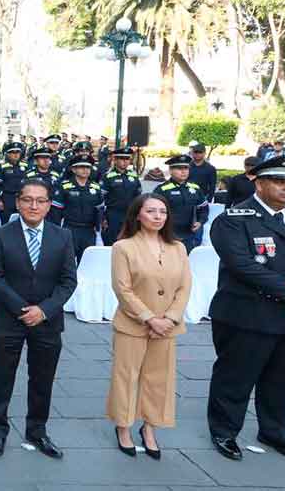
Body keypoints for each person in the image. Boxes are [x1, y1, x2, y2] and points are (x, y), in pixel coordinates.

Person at [206, 154, 285, 462]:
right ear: (259, 183)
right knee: (236, 376)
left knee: (282, 380)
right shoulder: (234, 219)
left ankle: (275, 432)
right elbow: (242, 265)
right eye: (279, 181)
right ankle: (224, 431)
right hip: (249, 314)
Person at [0, 178, 77, 460]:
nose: (33, 205)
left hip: (47, 322)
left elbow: (68, 281)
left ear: (49, 205)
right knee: (2, 378)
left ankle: (37, 431)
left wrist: (44, 310)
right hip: (8, 320)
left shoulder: (63, 236)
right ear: (18, 202)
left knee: (42, 379)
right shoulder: (1, 233)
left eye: (40, 200)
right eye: (27, 199)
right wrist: (23, 309)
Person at [107, 193, 191, 459]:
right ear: (138, 215)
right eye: (151, 211)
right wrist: (148, 318)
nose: (157, 217)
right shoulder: (124, 247)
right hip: (133, 324)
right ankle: (123, 427)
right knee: (126, 377)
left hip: (167, 326)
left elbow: (184, 286)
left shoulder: (178, 247)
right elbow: (123, 289)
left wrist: (170, 318)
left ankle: (150, 428)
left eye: (162, 212)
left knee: (159, 379)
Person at [51, 155, 103, 262]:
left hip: (89, 231)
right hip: (70, 229)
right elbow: (56, 212)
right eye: (81, 167)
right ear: (74, 169)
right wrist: (57, 232)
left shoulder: (96, 188)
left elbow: (100, 210)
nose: (85, 170)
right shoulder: (64, 186)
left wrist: (98, 230)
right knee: (66, 262)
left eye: (88, 167)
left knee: (87, 263)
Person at [153, 155, 208, 252]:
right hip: (167, 235)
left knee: (185, 263)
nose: (183, 171)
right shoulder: (162, 189)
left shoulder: (195, 188)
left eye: (186, 168)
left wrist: (200, 221)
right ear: (170, 171)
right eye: (179, 168)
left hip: (189, 236)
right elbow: (154, 212)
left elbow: (203, 208)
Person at [100, 147, 142, 246]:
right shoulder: (108, 177)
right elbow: (101, 199)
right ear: (115, 160)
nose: (125, 161)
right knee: (112, 243)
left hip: (130, 215)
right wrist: (102, 218)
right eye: (122, 158)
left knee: (130, 243)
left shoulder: (133, 176)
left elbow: (138, 197)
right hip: (113, 215)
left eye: (127, 159)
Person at [0, 142, 28, 224]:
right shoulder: (2, 167)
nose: (16, 155)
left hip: (22, 198)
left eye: (17, 152)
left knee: (23, 223)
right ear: (8, 154)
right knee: (6, 222)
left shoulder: (25, 166)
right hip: (8, 198)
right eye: (13, 152)